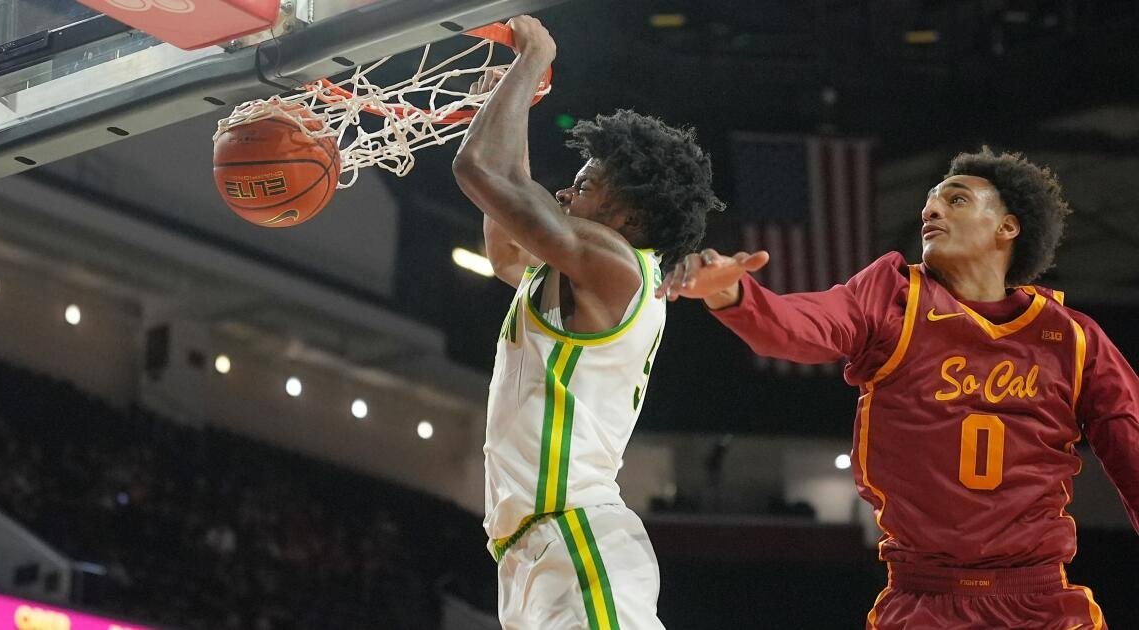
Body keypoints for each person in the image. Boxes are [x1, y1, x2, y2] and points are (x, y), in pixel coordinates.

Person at [658, 147, 1138, 629]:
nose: (931, 210)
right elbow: (801, 326)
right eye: (930, 200)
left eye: (957, 200)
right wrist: (733, 295)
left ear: (1007, 227)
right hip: (925, 599)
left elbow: (1132, 450)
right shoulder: (893, 298)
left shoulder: (1072, 338)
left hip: (1041, 602)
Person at [452, 15, 723, 629]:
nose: (567, 195)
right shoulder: (588, 271)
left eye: (584, 183)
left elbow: (483, 175)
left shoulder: (614, 263)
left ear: (626, 214)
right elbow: (506, 238)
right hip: (532, 548)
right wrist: (505, 100)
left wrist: (532, 59)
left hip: (576, 536)